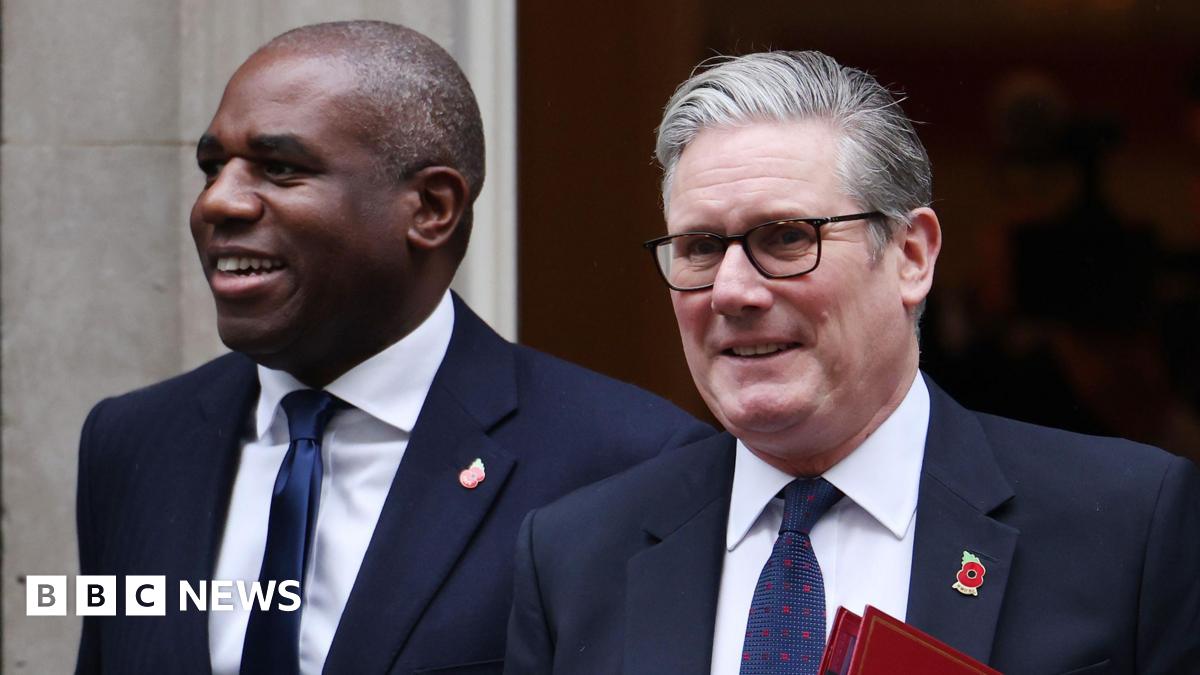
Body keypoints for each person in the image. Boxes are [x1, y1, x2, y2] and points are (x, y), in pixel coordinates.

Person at [505, 50, 1200, 674]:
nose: (733, 291)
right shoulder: (575, 556)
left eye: (784, 237)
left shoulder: (1125, 527)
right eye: (700, 248)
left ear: (911, 255)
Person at [75, 20, 711, 675]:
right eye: (213, 167)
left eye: (280, 168)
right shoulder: (132, 442)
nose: (219, 201)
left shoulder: (629, 463)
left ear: (431, 207)